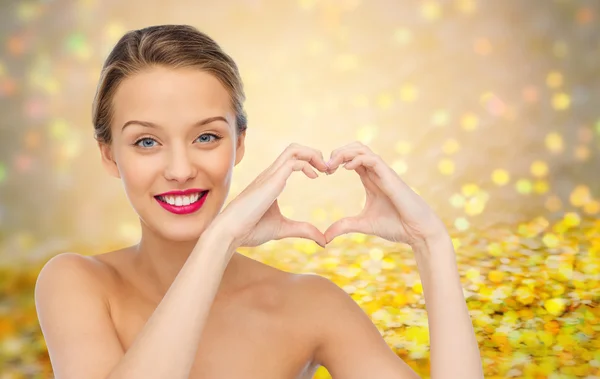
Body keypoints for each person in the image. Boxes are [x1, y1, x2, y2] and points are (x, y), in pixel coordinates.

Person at [34, 25, 483, 379]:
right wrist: (220, 239)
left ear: (239, 143)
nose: (180, 169)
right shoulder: (77, 284)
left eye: (206, 136)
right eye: (146, 141)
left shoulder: (308, 304)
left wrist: (432, 243)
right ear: (109, 154)